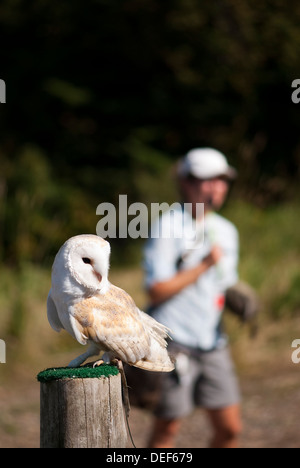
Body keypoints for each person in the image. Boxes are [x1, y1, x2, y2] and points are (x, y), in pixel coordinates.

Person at [143, 148, 242, 448]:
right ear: (186, 183)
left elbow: (225, 282)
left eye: (222, 180)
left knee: (230, 430)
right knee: (168, 430)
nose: (217, 187)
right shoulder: (167, 226)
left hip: (214, 343)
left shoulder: (227, 230)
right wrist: (203, 266)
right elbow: (155, 289)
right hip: (175, 343)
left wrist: (238, 295)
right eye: (207, 180)